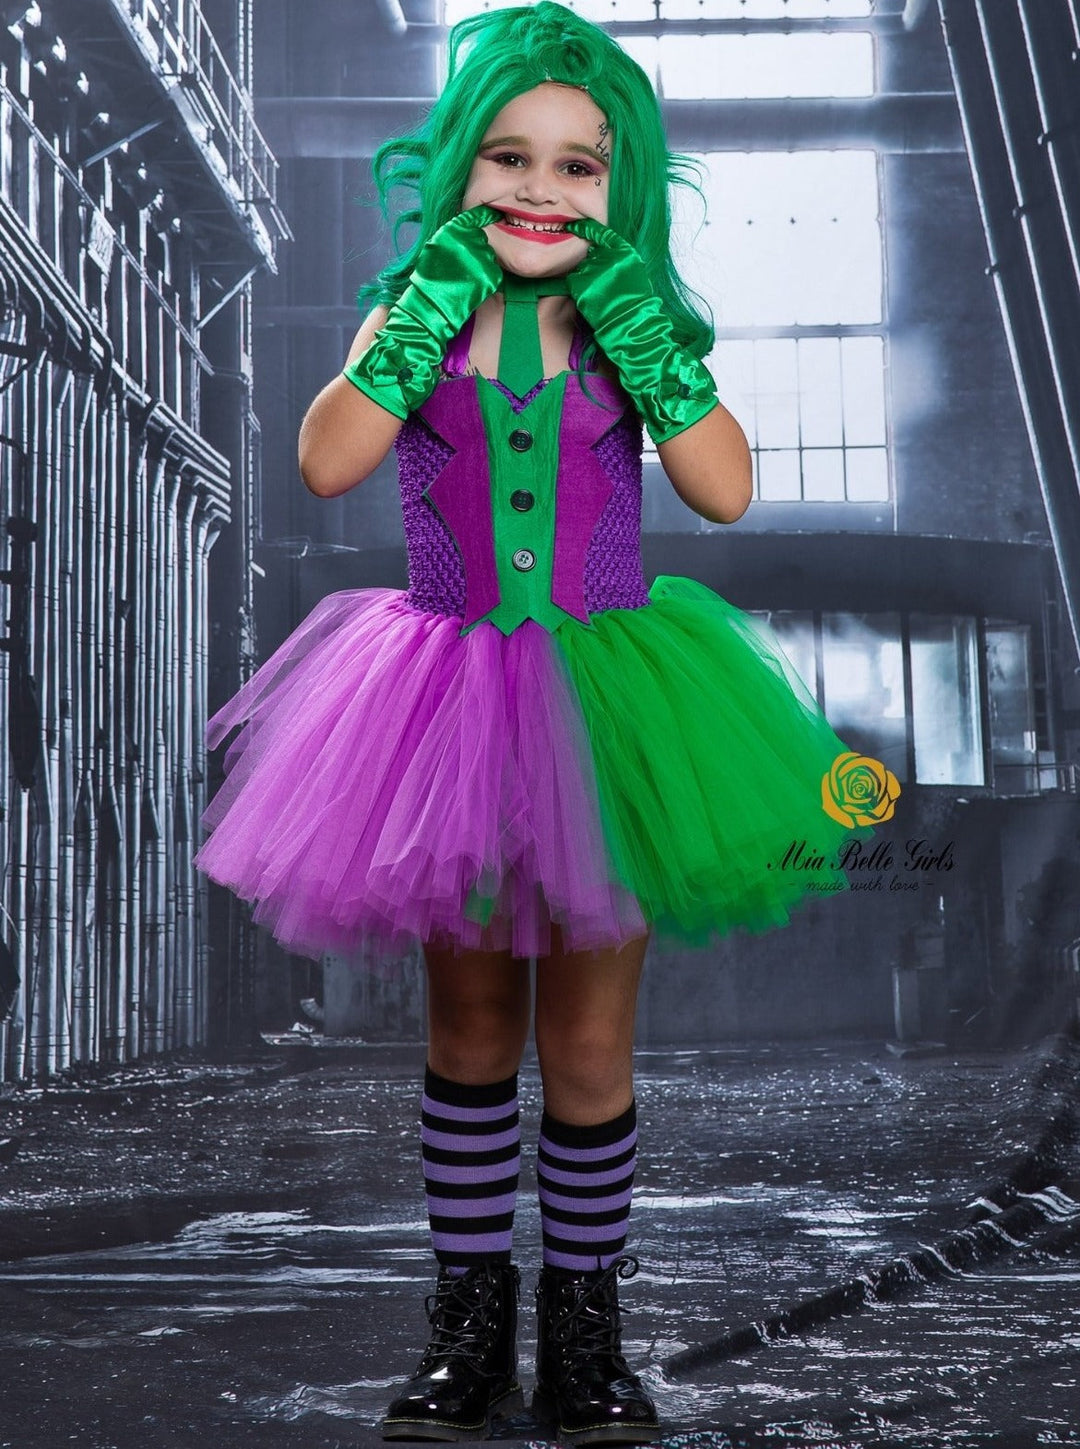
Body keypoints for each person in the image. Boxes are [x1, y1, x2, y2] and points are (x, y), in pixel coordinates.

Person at [194, 3, 873, 1442]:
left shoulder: (632, 330)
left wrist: (646, 333)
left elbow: (726, 490)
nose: (542, 189)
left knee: (588, 1044)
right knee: (468, 1029)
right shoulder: (418, 317)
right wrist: (422, 312)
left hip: (612, 718)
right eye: (510, 157)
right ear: (461, 169)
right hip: (439, 714)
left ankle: (584, 1336)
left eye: (580, 166)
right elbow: (325, 462)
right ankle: (464, 1333)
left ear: (624, 189)